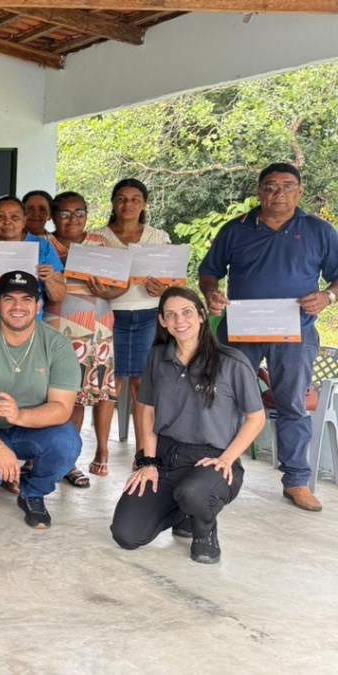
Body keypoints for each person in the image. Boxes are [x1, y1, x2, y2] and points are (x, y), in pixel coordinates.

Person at [201, 162, 338, 512]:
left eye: (287, 186)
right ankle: (216, 470)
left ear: (300, 191)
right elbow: (209, 271)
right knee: (223, 398)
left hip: (295, 332)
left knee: (291, 403)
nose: (279, 193)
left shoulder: (320, 230)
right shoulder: (235, 229)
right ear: (259, 190)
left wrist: (328, 296)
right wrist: (211, 293)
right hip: (240, 331)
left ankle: (296, 481)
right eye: (271, 186)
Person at [111, 288, 265, 564]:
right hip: (165, 456)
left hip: (211, 458)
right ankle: (183, 510)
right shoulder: (158, 357)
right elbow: (146, 409)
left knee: (195, 494)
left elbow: (257, 418)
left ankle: (204, 528)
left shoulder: (232, 362)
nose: (179, 320)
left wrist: (227, 459)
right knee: (126, 534)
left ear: (202, 316)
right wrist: (147, 460)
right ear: (162, 321)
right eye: (170, 314)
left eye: (187, 312)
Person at [0, 271, 82, 529]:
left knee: (67, 441)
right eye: (9, 299)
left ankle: (33, 493)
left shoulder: (57, 343)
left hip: (30, 427)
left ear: (38, 305)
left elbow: (62, 409)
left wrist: (20, 415)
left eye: (26, 299)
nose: (18, 306)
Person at [93, 179, 172, 475]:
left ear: (144, 204)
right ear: (113, 202)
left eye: (135, 199)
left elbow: (173, 279)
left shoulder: (158, 237)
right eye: (122, 199)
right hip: (108, 315)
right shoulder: (96, 238)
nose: (128, 205)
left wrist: (161, 288)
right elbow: (85, 278)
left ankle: (143, 453)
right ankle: (102, 449)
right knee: (108, 385)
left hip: (147, 315)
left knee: (142, 384)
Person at [43, 191, 117, 488]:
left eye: (79, 212)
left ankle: (67, 462)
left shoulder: (100, 243)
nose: (72, 219)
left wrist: (104, 290)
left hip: (96, 325)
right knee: (51, 393)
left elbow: (118, 288)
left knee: (79, 397)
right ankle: (41, 458)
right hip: (55, 324)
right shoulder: (44, 244)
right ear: (52, 216)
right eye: (64, 213)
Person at [0, 196, 67, 326]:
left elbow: (58, 296)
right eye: (0, 217)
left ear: (24, 220)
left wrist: (49, 278)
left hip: (25, 325)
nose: (7, 222)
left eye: (14, 217)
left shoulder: (43, 246)